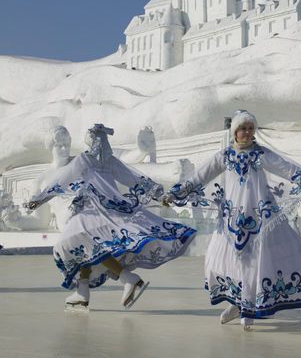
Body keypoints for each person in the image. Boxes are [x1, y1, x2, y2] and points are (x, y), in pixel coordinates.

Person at [165, 110, 301, 331]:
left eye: (251, 128)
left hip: (262, 218)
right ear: (235, 132)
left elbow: (288, 169)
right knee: (221, 260)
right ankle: (239, 303)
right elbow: (199, 176)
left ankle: (247, 308)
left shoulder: (261, 154)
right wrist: (174, 194)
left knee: (257, 262)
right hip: (231, 220)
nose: (248, 132)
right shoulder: (224, 156)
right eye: (243, 128)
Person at [26, 123, 196, 311]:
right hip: (106, 210)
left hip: (91, 210)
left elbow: (61, 181)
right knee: (88, 246)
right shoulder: (110, 161)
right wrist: (158, 194)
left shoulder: (85, 159)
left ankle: (123, 278)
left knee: (73, 243)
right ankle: (83, 291)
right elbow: (134, 179)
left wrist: (39, 199)